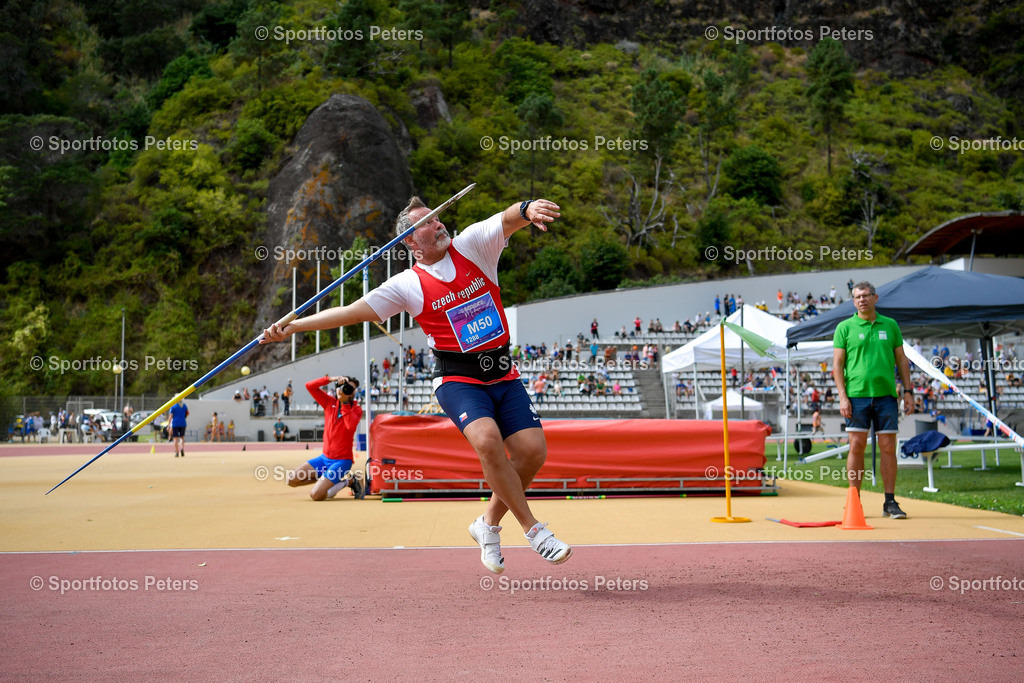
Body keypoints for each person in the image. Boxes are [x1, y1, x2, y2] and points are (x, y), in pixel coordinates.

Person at [261, 194, 572, 572]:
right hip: (459, 378)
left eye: (438, 218)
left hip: (503, 372)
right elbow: (347, 312)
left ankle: (487, 525)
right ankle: (534, 530)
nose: (439, 224)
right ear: (409, 241)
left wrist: (528, 209)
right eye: (428, 222)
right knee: (488, 441)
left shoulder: (473, 245)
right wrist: (291, 327)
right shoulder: (407, 285)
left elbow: (507, 219)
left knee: (531, 453)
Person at [833, 281, 913, 520]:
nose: (862, 300)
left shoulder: (890, 325)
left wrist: (908, 390)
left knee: (888, 448)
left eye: (866, 295)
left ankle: (890, 502)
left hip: (886, 395)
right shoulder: (844, 327)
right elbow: (837, 365)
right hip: (856, 396)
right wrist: (842, 397)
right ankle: (854, 500)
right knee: (856, 447)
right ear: (853, 300)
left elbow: (901, 360)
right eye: (857, 297)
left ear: (875, 298)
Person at [285, 375, 363, 501]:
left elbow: (350, 426)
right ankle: (326, 479)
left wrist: (344, 403)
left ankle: (349, 482)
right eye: (346, 387)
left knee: (316, 495)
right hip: (324, 459)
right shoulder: (329, 402)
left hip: (341, 461)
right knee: (291, 480)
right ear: (338, 388)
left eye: (352, 389)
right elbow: (309, 386)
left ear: (354, 392)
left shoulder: (356, 409)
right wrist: (331, 379)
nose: (349, 391)